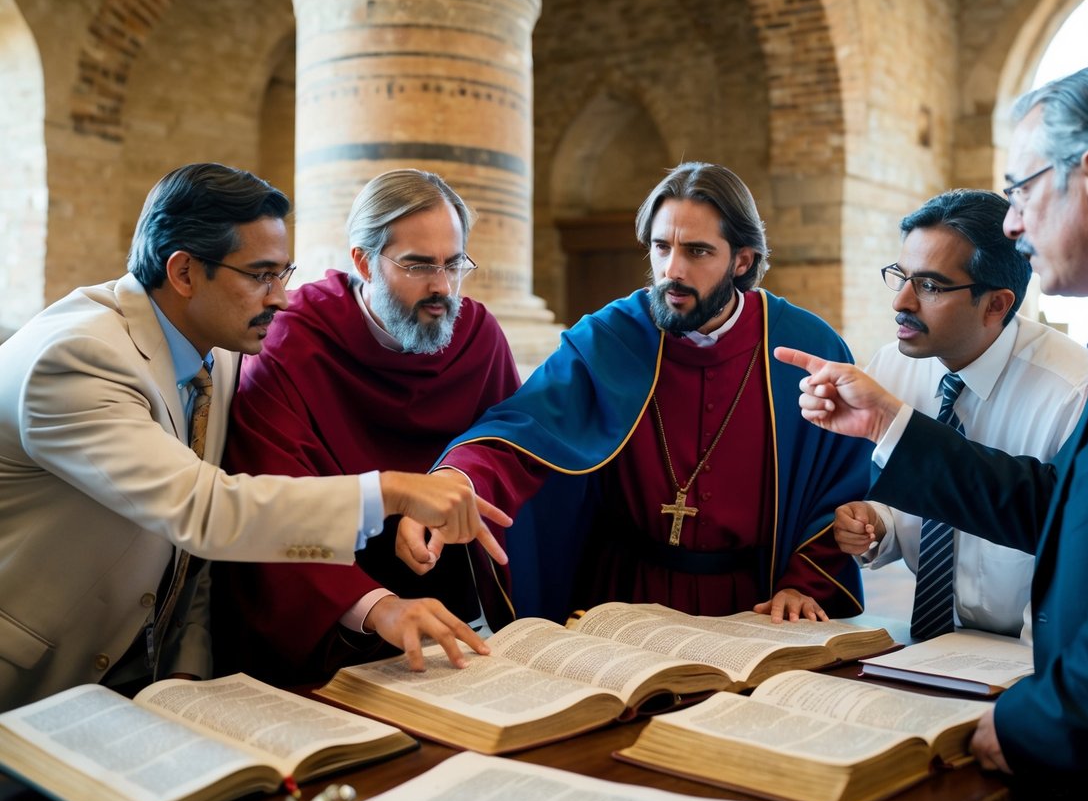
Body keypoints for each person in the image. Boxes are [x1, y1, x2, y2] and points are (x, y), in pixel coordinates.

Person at [777, 63, 1088, 801]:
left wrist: (1035, 723)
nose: (1012, 222)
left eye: (1019, 189)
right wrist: (887, 426)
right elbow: (1061, 506)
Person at [0, 163, 508, 711]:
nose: (281, 298)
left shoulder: (215, 353)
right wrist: (391, 491)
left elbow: (193, 561)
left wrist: (190, 674)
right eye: (260, 275)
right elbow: (204, 510)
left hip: (144, 681)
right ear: (185, 273)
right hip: (31, 679)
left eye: (284, 273)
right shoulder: (77, 357)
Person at [416, 161, 873, 624]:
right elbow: (527, 428)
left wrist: (803, 583)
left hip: (754, 604)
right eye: (661, 247)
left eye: (697, 251)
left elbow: (839, 480)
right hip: (620, 598)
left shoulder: (806, 348)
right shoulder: (612, 336)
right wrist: (459, 479)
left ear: (742, 260)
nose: (672, 269)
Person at [211, 169, 520, 685]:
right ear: (362, 262)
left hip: (454, 617)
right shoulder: (291, 344)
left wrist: (458, 483)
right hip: (330, 616)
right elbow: (271, 507)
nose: (442, 286)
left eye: (453, 264)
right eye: (418, 265)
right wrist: (375, 605)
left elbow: (508, 442)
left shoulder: (478, 335)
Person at [835, 189, 1088, 641]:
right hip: (926, 645)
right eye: (902, 276)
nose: (901, 303)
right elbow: (916, 502)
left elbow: (1071, 548)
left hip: (1029, 652)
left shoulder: (1071, 391)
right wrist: (879, 524)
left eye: (930, 286)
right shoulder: (891, 366)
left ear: (996, 305)